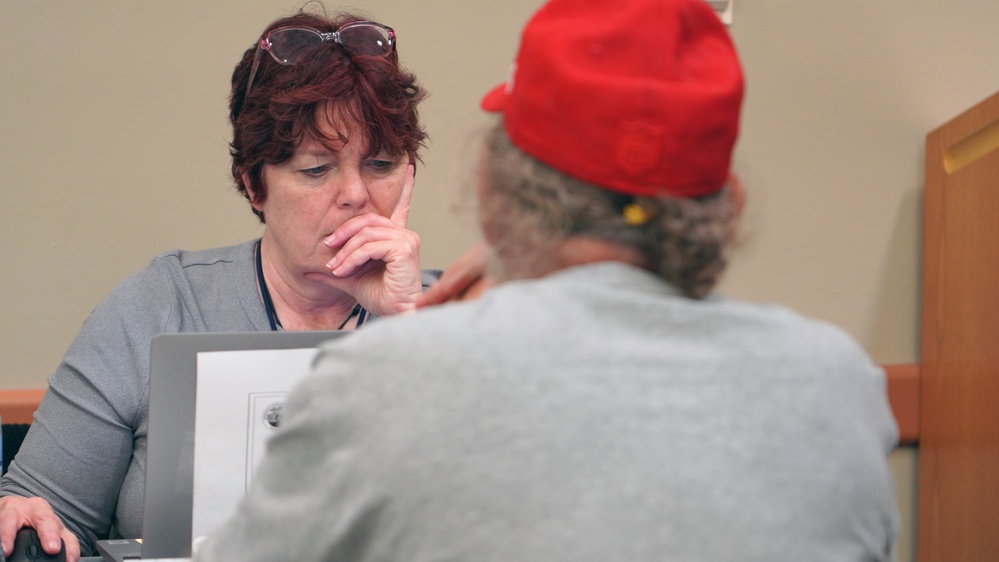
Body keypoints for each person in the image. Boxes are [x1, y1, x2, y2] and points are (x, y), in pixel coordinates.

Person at [194, 0, 900, 561]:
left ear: (491, 191)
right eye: (315, 169)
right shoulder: (838, 383)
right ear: (729, 206)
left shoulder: (374, 381)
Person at [0, 7, 436, 561]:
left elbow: (509, 518)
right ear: (253, 185)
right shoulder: (159, 305)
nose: (354, 194)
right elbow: (40, 513)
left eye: (380, 164)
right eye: (316, 169)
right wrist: (27, 516)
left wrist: (410, 326)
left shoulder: (451, 319)